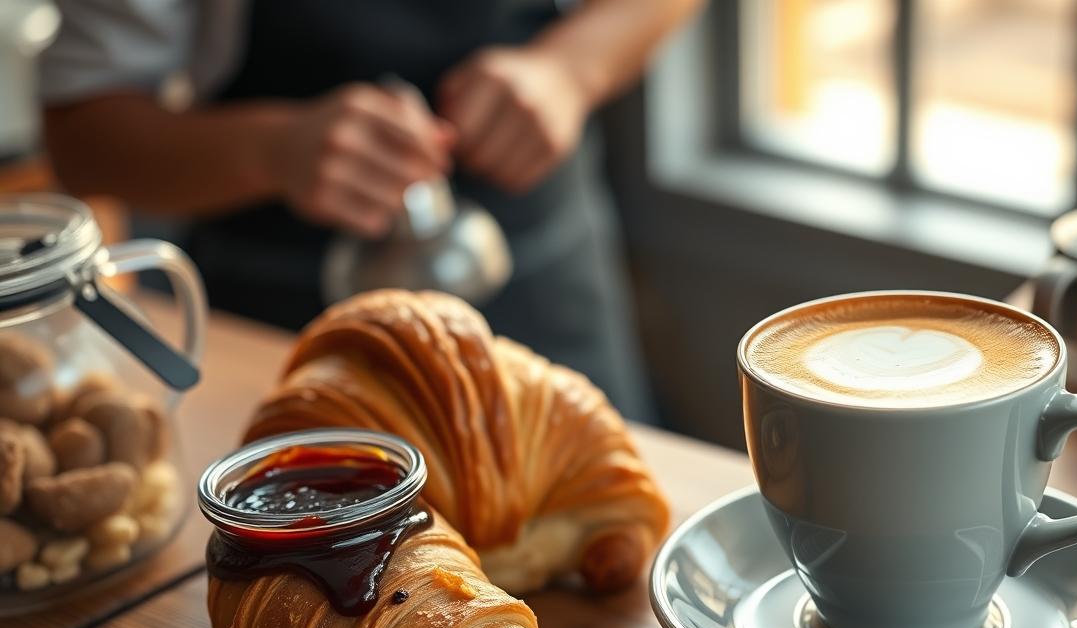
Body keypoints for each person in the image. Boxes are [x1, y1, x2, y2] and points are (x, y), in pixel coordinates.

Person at [38, 0, 704, 422]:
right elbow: (83, 137)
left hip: (541, 277)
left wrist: (571, 69)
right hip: (279, 310)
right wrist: (276, 150)